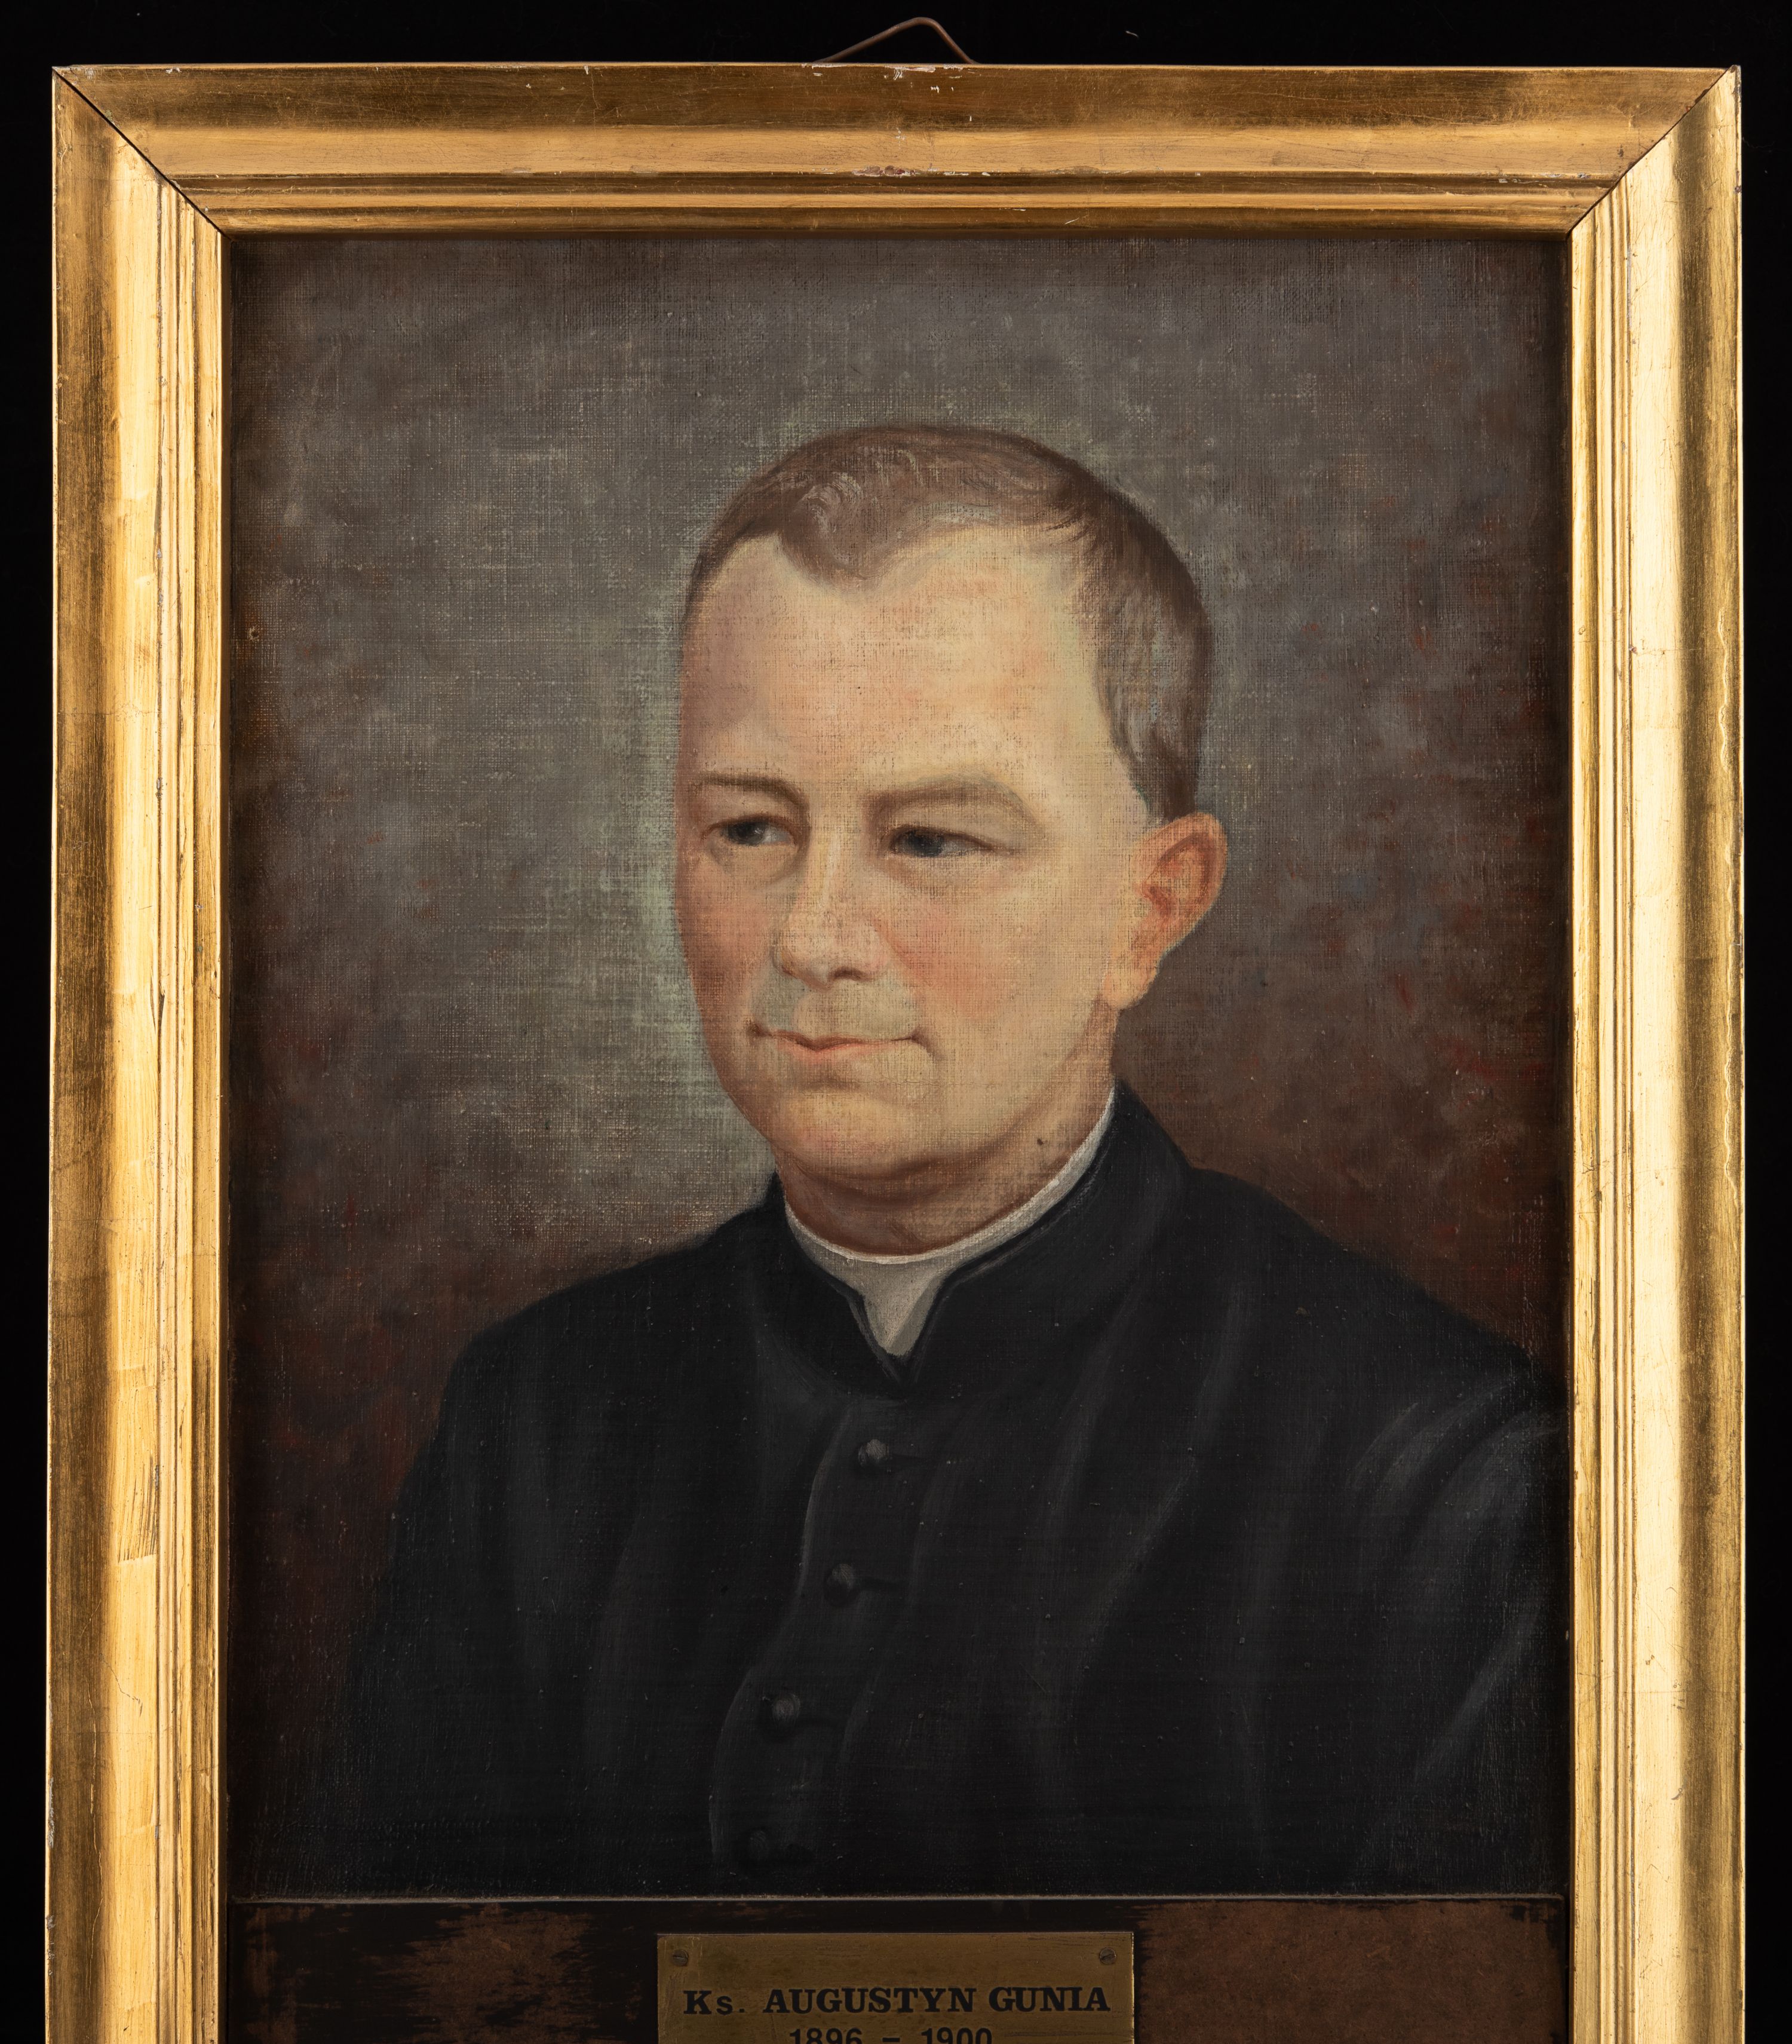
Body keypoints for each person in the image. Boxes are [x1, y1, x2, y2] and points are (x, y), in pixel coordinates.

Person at [315, 425, 1566, 1898]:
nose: (813, 937)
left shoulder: (1436, 1475)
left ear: (1151, 907)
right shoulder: (535, 1425)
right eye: (749, 827)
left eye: (931, 840)